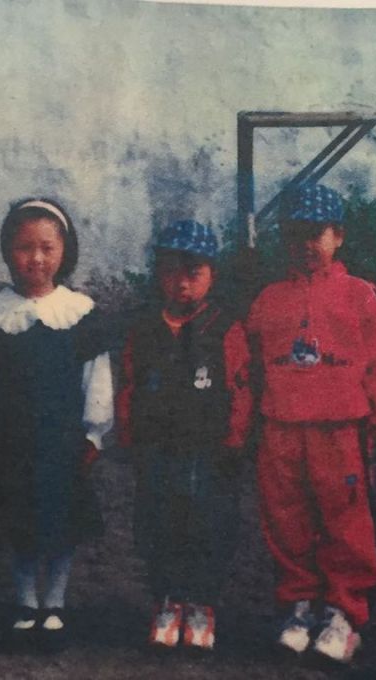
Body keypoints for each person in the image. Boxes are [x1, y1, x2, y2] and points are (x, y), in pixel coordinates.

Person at [246, 183, 376, 663]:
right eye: (295, 233)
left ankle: (344, 613)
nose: (305, 244)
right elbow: (251, 367)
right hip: (280, 429)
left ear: (337, 235)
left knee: (346, 521)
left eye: (314, 233)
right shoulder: (268, 300)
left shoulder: (360, 295)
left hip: (341, 431)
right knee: (286, 519)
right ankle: (299, 606)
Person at [0, 197, 114, 643]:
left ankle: (56, 601)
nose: (36, 258)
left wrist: (93, 432)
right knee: (20, 523)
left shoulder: (80, 314)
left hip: (63, 443)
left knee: (62, 524)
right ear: (8, 251)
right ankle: (26, 599)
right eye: (25, 247)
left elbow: (97, 376)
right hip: (13, 443)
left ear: (65, 251)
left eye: (47, 247)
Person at [116, 220, 253, 651]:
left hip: (209, 453)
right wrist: (127, 434)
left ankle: (201, 604)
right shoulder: (143, 328)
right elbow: (129, 383)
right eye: (173, 271)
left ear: (212, 275)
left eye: (194, 273)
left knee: (207, 527)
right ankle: (166, 601)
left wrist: (234, 440)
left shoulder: (224, 327)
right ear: (159, 274)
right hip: (157, 449)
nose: (183, 283)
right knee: (158, 524)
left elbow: (241, 387)